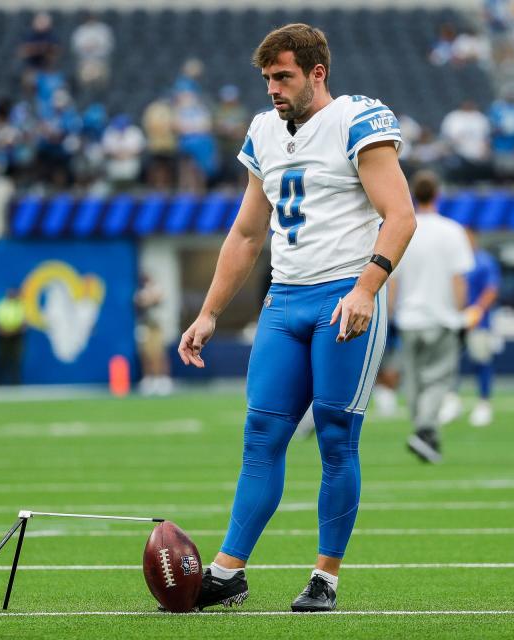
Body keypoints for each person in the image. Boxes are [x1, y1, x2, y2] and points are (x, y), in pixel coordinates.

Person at [177, 24, 416, 612]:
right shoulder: (263, 130)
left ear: (317, 73)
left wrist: (367, 287)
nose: (273, 89)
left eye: (283, 76)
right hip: (284, 299)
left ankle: (325, 577)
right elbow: (248, 231)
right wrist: (208, 313)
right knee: (261, 435)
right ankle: (229, 572)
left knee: (336, 438)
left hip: (343, 296)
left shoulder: (357, 118)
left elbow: (401, 215)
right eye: (267, 78)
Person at [390, 171, 474, 463]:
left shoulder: (403, 228)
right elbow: (459, 280)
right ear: (437, 194)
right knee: (438, 380)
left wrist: (390, 315)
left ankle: (425, 433)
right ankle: (426, 430)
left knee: (412, 380)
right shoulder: (452, 231)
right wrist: (461, 314)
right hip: (441, 317)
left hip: (409, 317)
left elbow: (392, 280)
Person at [462, 230, 501, 427]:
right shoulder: (458, 261)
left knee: (481, 361)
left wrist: (477, 310)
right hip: (456, 321)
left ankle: (484, 402)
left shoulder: (484, 261)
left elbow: (491, 289)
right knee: (451, 363)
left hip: (479, 322)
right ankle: (451, 400)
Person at [135, 275, 172, 396]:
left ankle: (162, 379)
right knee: (146, 353)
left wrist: (150, 298)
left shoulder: (157, 288)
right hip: (146, 326)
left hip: (156, 326)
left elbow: (157, 299)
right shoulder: (140, 291)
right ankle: (149, 379)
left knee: (159, 353)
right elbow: (139, 302)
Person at [0, 288, 25, 386]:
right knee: (1, 360)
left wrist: (14, 331)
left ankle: (16, 383)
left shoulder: (19, 306)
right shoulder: (0, 305)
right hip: (2, 336)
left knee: (16, 360)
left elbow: (24, 322)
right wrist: (1, 331)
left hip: (16, 337)